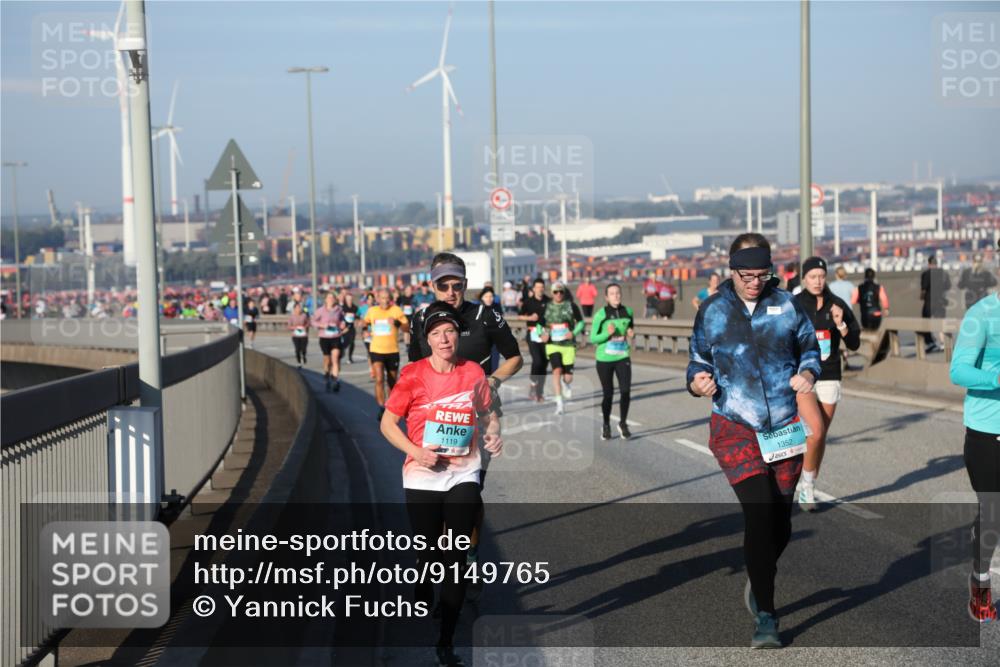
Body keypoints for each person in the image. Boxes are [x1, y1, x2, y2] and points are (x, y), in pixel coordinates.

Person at [687, 233, 820, 649]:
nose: (755, 283)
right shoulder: (712, 310)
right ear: (732, 271)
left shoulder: (787, 305)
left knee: (780, 524)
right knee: (760, 515)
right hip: (734, 426)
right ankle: (767, 615)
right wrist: (697, 382)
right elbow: (697, 360)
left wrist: (809, 373)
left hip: (782, 425)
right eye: (747, 276)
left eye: (762, 275)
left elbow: (810, 348)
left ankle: (758, 572)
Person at [381, 301, 503, 666]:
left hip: (463, 472)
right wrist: (416, 452)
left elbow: (488, 413)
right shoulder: (413, 375)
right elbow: (387, 425)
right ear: (428, 339)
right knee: (430, 550)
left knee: (455, 557)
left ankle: (446, 642)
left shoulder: (472, 373)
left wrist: (494, 433)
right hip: (422, 474)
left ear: (457, 335)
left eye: (449, 331)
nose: (444, 338)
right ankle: (424, 571)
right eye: (436, 333)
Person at [407, 254, 523, 605]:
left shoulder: (485, 315)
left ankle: (468, 554)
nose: (450, 291)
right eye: (443, 285)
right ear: (432, 286)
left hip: (477, 419)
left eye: (456, 285)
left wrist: (491, 381)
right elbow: (414, 369)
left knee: (468, 495)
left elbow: (515, 357)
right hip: (435, 422)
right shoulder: (421, 319)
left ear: (465, 285)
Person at [949, 241, 1000, 623]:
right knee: (994, 514)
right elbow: (958, 371)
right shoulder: (981, 314)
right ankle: (980, 584)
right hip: (987, 433)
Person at [793, 257, 862, 511]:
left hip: (830, 374)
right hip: (804, 376)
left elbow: (854, 343)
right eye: (812, 277)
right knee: (815, 431)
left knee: (820, 437)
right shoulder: (795, 304)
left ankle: (807, 482)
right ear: (804, 278)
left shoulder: (837, 304)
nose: (817, 281)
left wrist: (841, 324)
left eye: (821, 276)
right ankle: (805, 487)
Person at [589, 283, 635, 440]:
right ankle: (606, 424)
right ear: (606, 297)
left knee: (625, 391)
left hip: (622, 356)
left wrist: (630, 333)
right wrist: (607, 334)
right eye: (612, 293)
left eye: (618, 293)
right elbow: (593, 338)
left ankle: (623, 423)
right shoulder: (601, 314)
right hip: (604, 359)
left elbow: (630, 328)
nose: (616, 296)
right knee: (608, 394)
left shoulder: (628, 312)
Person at [538, 282, 584, 415]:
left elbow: (581, 322)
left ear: (564, 293)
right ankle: (559, 404)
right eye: (555, 292)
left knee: (568, 377)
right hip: (552, 344)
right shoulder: (546, 307)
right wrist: (542, 334)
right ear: (552, 293)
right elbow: (539, 325)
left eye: (561, 292)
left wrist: (574, 333)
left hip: (568, 345)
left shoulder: (571, 306)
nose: (558, 294)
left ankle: (566, 383)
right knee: (556, 371)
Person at [363, 288, 409, 419]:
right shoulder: (372, 311)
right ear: (378, 299)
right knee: (379, 379)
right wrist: (365, 330)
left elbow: (407, 327)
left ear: (391, 299)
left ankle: (390, 406)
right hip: (376, 350)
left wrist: (396, 322)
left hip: (392, 350)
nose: (385, 301)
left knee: (392, 382)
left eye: (387, 298)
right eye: (382, 298)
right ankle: (381, 407)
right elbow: (365, 322)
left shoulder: (396, 310)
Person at [519, 278, 551, 402]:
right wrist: (530, 318)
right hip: (532, 333)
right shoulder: (528, 302)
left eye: (542, 287)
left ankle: (539, 393)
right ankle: (533, 382)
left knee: (544, 364)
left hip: (545, 333)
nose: (540, 289)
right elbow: (520, 316)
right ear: (533, 289)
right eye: (537, 287)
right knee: (537, 361)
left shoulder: (549, 301)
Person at [312, 292, 349, 392]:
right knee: (327, 360)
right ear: (325, 299)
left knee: (335, 358)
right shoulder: (320, 311)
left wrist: (342, 324)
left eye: (332, 297)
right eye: (329, 297)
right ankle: (327, 374)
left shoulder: (339, 310)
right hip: (324, 337)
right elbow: (313, 321)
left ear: (335, 300)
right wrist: (322, 325)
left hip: (336, 336)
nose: (331, 299)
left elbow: (342, 320)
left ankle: (335, 380)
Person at [920, 255, 952, 353]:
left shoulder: (926, 274)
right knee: (941, 322)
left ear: (929, 263)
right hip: (940, 301)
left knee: (926, 321)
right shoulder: (943, 273)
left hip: (929, 301)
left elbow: (924, 289)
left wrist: (921, 296)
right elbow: (948, 286)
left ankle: (930, 343)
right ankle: (943, 343)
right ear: (936, 263)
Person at [287, 302, 310, 367]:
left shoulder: (304, 315)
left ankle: (304, 356)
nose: (298, 309)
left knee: (303, 349)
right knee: (297, 349)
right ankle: (298, 360)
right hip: (295, 335)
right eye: (297, 308)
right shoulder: (291, 317)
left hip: (303, 335)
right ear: (294, 309)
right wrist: (295, 327)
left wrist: (305, 327)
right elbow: (288, 326)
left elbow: (308, 323)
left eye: (299, 307)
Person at [341, 292, 359, 364]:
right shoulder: (343, 308)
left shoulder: (355, 308)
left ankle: (350, 357)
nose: (349, 300)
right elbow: (340, 318)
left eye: (350, 299)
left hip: (351, 328)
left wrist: (357, 320)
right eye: (348, 299)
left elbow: (357, 317)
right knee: (345, 342)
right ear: (345, 299)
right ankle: (342, 350)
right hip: (344, 328)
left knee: (352, 342)